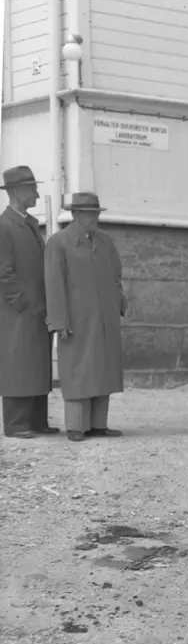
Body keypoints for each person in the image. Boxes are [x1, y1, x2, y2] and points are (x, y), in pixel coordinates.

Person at [44, 193, 126, 442]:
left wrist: (119, 303)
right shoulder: (59, 243)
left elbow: (116, 276)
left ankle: (98, 425)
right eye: (91, 214)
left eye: (98, 213)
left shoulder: (105, 241)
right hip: (77, 321)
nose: (96, 218)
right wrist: (59, 322)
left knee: (104, 370)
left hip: (105, 319)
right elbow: (54, 285)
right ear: (76, 215)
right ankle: (76, 426)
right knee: (79, 371)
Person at [0, 165, 57, 439]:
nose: (36, 193)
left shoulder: (28, 223)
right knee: (18, 364)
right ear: (17, 192)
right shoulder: (4, 226)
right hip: (18, 311)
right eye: (32, 188)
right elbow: (3, 272)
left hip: (36, 308)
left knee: (36, 363)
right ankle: (15, 424)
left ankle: (36, 421)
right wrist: (20, 302)